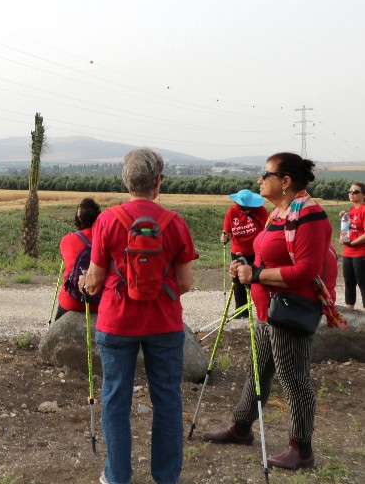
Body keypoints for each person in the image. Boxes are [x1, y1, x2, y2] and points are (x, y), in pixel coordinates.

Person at [202, 153, 339, 471]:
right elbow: (271, 258)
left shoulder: (310, 216)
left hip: (291, 310)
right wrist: (247, 266)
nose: (260, 179)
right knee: (258, 370)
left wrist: (257, 275)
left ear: (286, 181)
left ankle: (301, 449)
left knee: (295, 380)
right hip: (267, 309)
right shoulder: (279, 214)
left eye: (266, 174)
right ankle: (240, 427)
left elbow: (305, 270)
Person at [82, 148, 197, 484]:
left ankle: (117, 476)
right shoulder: (174, 223)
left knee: (115, 399)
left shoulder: (106, 221)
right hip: (164, 322)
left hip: (117, 322)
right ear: (158, 183)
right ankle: (166, 477)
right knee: (168, 400)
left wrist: (87, 285)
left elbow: (95, 279)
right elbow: (186, 282)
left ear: (126, 181)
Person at [220, 189, 269, 318]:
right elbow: (228, 232)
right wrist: (225, 237)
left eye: (247, 207)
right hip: (238, 252)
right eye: (242, 207)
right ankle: (241, 314)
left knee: (258, 281)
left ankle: (263, 313)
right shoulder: (231, 212)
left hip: (257, 252)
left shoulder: (261, 211)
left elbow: (268, 230)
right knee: (238, 282)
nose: (245, 210)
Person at [55, 198, 102, 320]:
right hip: (100, 302)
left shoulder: (67, 240)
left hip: (72, 302)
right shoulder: (106, 239)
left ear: (77, 219)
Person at [341, 181, 365, 309]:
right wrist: (344, 217)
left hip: (361, 253)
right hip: (347, 252)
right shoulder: (350, 210)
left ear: (363, 195)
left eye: (355, 192)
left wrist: (351, 243)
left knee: (363, 283)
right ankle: (349, 313)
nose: (351, 194)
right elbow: (348, 229)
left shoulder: (364, 210)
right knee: (349, 283)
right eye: (350, 191)